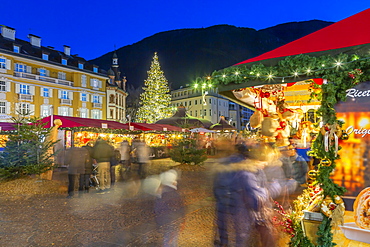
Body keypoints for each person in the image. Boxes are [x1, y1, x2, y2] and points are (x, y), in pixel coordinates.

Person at [211, 142, 275, 247]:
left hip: (224, 204)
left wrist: (221, 199)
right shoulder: (248, 168)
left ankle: (223, 243)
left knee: (224, 231)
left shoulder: (223, 164)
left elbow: (217, 186)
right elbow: (254, 194)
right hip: (240, 208)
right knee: (241, 237)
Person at [155, 169, 185, 247]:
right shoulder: (175, 194)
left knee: (167, 238)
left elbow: (157, 208)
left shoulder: (161, 193)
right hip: (174, 220)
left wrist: (158, 220)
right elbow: (181, 207)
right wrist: (182, 219)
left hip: (165, 220)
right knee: (173, 238)